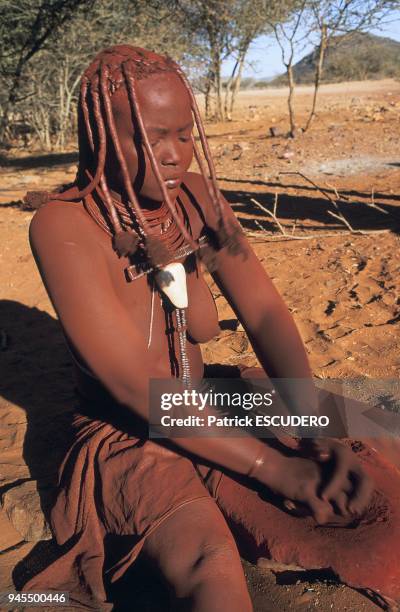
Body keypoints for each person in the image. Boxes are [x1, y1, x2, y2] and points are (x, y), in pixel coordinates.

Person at [23, 45, 373, 611]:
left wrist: (312, 430)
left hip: (204, 399)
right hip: (129, 430)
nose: (173, 155)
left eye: (185, 135)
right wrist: (273, 468)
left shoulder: (198, 201)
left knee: (373, 425)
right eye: (150, 135)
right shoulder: (64, 225)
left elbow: (263, 312)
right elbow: (137, 388)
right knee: (208, 563)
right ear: (101, 138)